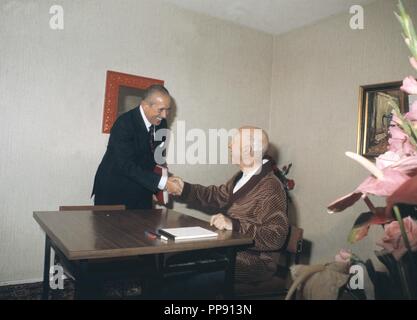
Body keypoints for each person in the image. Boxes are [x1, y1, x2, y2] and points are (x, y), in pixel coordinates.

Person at [167, 126, 289, 298]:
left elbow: (276, 237)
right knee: (173, 264)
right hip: (227, 251)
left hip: (253, 262)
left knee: (190, 280)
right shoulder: (242, 176)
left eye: (234, 142)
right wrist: (185, 189)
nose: (229, 146)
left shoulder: (271, 187)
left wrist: (235, 225)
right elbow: (217, 195)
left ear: (249, 149)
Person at [92, 84, 182, 209]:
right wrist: (161, 183)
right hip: (114, 191)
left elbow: (157, 159)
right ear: (145, 105)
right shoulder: (124, 124)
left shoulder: (162, 124)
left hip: (142, 189)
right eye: (161, 110)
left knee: (143, 227)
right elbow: (125, 165)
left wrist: (164, 182)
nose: (165, 115)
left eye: (168, 109)